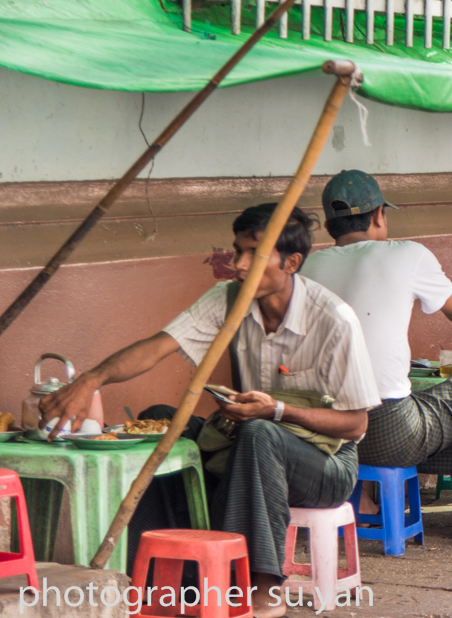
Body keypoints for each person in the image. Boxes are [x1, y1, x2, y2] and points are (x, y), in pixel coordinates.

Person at [42, 205, 380, 618]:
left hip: (327, 464)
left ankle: (262, 585)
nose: (237, 265)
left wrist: (277, 411)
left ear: (291, 262)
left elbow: (356, 423)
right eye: (236, 251)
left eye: (251, 255)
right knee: (159, 417)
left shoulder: (333, 321)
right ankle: (171, 575)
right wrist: (90, 380)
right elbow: (158, 346)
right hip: (247, 444)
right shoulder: (229, 300)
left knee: (261, 434)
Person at [301, 171, 452, 547]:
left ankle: (362, 501)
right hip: (388, 436)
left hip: (318, 435)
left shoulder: (307, 267)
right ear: (379, 215)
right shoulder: (406, 253)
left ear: (330, 224)